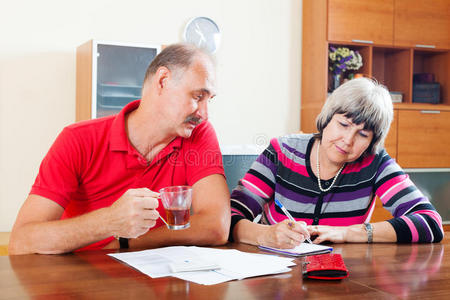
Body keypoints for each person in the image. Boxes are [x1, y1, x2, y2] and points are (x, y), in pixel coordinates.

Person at [9, 43, 231, 255]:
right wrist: (109, 221)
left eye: (208, 100)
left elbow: (217, 226)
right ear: (162, 81)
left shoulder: (198, 133)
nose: (204, 113)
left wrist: (125, 242)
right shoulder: (77, 140)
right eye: (197, 96)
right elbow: (21, 241)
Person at [230, 78, 444, 248]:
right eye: (343, 124)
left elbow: (429, 222)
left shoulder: (375, 163)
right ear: (327, 118)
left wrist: (348, 232)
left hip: (340, 277)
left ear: (372, 142)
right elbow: (230, 218)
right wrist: (265, 235)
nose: (348, 140)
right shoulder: (281, 152)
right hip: (272, 276)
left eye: (362, 134)